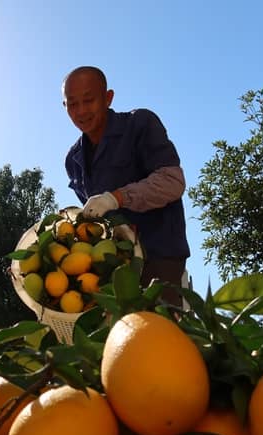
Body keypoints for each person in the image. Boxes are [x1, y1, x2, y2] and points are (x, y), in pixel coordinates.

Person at [62, 65, 189, 306]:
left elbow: (172, 182)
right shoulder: (74, 160)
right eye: (72, 104)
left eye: (88, 100)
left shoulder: (139, 124)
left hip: (159, 258)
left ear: (108, 98)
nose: (81, 111)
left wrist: (116, 198)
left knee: (157, 334)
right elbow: (93, 222)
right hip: (114, 269)